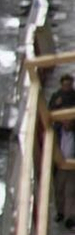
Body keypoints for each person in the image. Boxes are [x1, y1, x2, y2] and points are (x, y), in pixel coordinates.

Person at [50, 74, 75, 226]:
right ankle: (61, 212)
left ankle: (70, 217)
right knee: (59, 189)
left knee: (70, 191)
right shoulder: (57, 133)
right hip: (60, 163)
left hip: (71, 164)